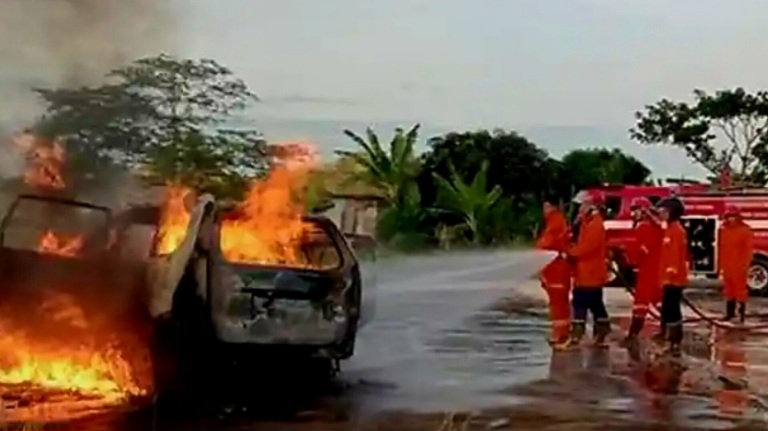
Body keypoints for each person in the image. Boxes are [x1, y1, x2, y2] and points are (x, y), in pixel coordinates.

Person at [559, 193, 609, 349]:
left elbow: (587, 249)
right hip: (589, 273)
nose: (579, 209)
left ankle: (575, 339)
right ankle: (601, 336)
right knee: (596, 304)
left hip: (589, 273)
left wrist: (569, 252)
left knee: (579, 303)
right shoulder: (587, 223)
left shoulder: (594, 225)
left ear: (591, 207)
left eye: (582, 205)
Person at [621, 197, 664, 347]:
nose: (633, 213)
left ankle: (633, 335)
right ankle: (666, 333)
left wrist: (625, 251)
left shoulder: (643, 228)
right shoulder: (656, 227)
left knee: (641, 305)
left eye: (635, 210)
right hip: (656, 271)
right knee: (660, 303)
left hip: (648, 272)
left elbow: (638, 252)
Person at [535, 197, 572, 345]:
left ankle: (560, 334)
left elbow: (545, 244)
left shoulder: (555, 223)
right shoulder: (559, 221)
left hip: (556, 270)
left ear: (552, 207)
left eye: (545, 207)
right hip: (557, 269)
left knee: (557, 304)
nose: (544, 211)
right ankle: (563, 333)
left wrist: (536, 256)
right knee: (561, 303)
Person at [656, 197, 688, 355]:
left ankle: (674, 341)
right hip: (667, 278)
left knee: (672, 309)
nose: (660, 213)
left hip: (674, 279)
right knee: (668, 309)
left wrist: (670, 272)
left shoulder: (677, 231)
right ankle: (670, 338)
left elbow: (676, 255)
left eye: (663, 211)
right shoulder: (669, 229)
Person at [717, 205, 754, 324]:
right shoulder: (723, 230)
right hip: (727, 266)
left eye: (733, 216)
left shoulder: (745, 230)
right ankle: (730, 313)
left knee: (740, 291)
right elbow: (720, 248)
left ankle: (741, 314)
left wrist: (745, 265)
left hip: (739, 267)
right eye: (729, 216)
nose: (731, 219)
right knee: (728, 291)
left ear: (738, 217)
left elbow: (748, 250)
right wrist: (720, 266)